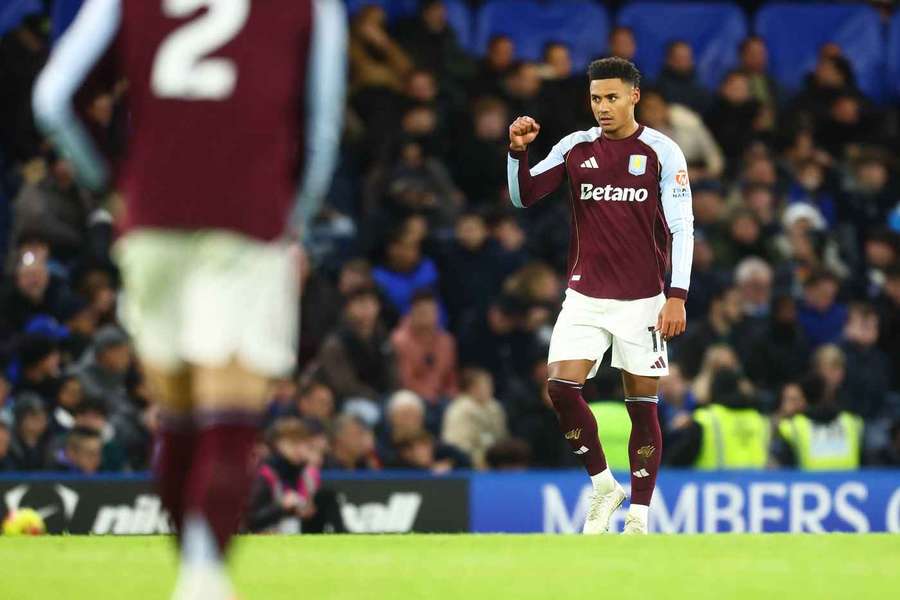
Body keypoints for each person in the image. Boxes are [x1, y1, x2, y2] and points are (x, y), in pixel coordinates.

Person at [32, 1, 347, 597]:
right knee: (229, 415)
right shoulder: (312, 7)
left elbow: (54, 98)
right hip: (248, 223)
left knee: (177, 416)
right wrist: (292, 216)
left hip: (153, 221)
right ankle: (205, 574)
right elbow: (322, 125)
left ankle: (195, 574)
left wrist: (112, 186)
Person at [507, 57, 694, 534]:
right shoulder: (576, 146)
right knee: (559, 388)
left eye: (612, 97)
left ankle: (640, 515)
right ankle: (605, 486)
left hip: (644, 301)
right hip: (585, 297)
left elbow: (682, 227)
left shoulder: (661, 151)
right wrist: (517, 154)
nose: (603, 107)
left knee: (641, 406)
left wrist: (677, 295)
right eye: (595, 99)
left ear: (634, 95)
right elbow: (524, 195)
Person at [246, 417, 344, 534]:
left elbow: (310, 513)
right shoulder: (265, 475)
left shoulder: (308, 474)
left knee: (327, 497)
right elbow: (250, 520)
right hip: (270, 535)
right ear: (277, 445)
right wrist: (281, 506)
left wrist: (307, 509)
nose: (298, 448)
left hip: (298, 533)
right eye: (292, 442)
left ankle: (343, 540)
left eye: (302, 443)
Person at [391, 289, 458, 405]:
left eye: (432, 311)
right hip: (412, 398)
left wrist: (452, 395)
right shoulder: (399, 341)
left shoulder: (447, 341)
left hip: (442, 399)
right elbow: (405, 380)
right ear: (412, 312)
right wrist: (429, 395)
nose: (427, 316)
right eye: (422, 312)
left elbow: (451, 378)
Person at [441, 368, 507, 469]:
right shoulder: (459, 410)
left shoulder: (495, 408)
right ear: (471, 388)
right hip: (467, 464)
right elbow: (457, 445)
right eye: (485, 385)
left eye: (490, 385)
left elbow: (502, 437)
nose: (490, 389)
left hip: (495, 463)